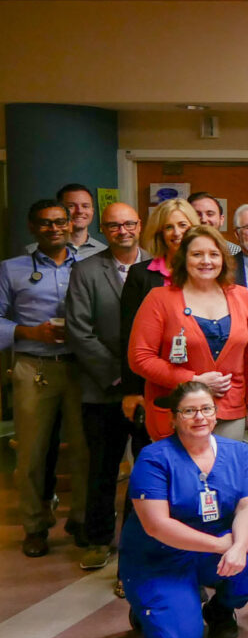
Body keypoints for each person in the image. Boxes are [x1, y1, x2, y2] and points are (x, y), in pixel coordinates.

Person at [118, 382, 248, 638]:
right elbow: (157, 525)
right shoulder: (154, 458)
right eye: (189, 411)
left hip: (212, 551)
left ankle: (220, 610)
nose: (199, 417)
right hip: (160, 556)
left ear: (216, 414)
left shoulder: (237, 452)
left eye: (206, 409)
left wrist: (238, 546)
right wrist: (220, 544)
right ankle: (149, 606)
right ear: (174, 418)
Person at [3, 200, 89, 558]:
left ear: (70, 225)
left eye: (59, 222)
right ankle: (36, 526)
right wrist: (27, 332)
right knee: (33, 455)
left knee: (86, 451)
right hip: (34, 367)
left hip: (83, 369)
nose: (53, 228)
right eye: (44, 223)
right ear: (32, 227)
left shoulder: (89, 265)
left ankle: (83, 521)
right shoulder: (11, 270)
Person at [65, 201, 148, 569]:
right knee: (102, 468)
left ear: (140, 226)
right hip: (102, 388)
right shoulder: (85, 270)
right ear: (104, 230)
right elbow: (79, 330)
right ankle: (98, 540)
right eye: (114, 226)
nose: (122, 231)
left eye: (129, 224)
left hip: (148, 388)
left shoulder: (156, 267)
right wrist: (119, 375)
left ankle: (138, 539)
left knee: (146, 468)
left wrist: (140, 377)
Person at [128, 225, 248, 444]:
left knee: (223, 476)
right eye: (197, 254)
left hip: (230, 410)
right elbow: (140, 358)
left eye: (213, 254)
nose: (206, 261)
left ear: (224, 259)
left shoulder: (243, 297)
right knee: (180, 477)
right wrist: (194, 380)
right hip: (179, 410)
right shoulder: (160, 299)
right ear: (183, 259)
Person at [120, 197, 200, 436]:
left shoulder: (207, 271)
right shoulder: (141, 275)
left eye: (183, 225)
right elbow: (128, 336)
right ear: (160, 233)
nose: (177, 233)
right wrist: (133, 391)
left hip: (200, 378)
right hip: (154, 382)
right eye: (169, 227)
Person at [26, 183, 105, 261]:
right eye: (71, 206)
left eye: (85, 206)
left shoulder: (105, 253)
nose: (79, 211)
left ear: (92, 211)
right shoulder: (30, 252)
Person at [186, 191, 240, 257]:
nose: (203, 220)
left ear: (221, 219)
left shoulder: (236, 253)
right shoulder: (178, 251)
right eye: (197, 214)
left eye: (210, 214)